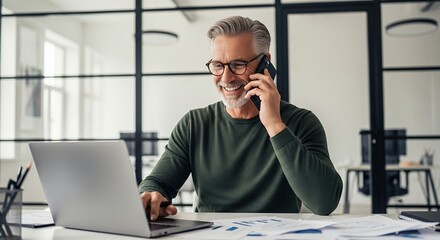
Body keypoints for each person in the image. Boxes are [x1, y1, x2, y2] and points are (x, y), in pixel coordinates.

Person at [138, 16, 343, 221]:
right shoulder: (194, 124)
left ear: (266, 63)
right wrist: (150, 196)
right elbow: (158, 182)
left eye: (238, 64)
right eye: (218, 65)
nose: (226, 78)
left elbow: (323, 202)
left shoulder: (301, 122)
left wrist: (274, 124)